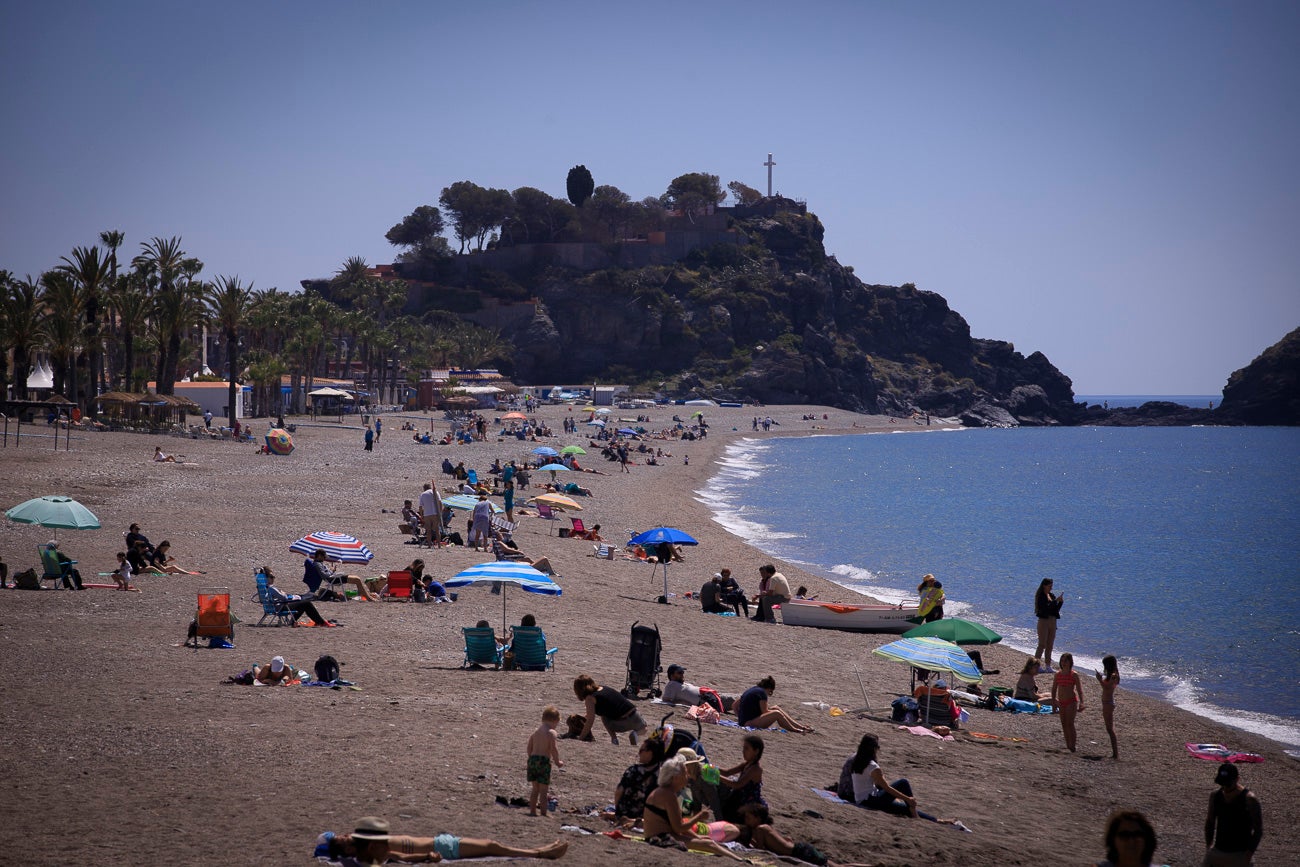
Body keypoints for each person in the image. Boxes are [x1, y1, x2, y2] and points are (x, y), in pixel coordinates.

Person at [319, 816, 569, 864]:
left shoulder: (369, 841)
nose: (346, 835)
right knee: (493, 846)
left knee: (492, 845)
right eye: (343, 839)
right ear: (347, 849)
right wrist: (427, 857)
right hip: (444, 848)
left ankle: (539, 850)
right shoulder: (372, 851)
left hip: (441, 842)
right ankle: (540, 853)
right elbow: (401, 856)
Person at [641, 755, 747, 862]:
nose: (687, 776)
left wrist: (697, 836)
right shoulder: (669, 795)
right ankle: (739, 860)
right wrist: (699, 817)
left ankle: (737, 859)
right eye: (684, 774)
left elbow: (678, 823)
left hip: (660, 834)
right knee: (709, 844)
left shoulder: (665, 791)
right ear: (675, 778)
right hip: (660, 837)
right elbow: (679, 827)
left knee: (707, 841)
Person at [841, 733, 961, 826]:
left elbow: (877, 785)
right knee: (903, 783)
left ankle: (938, 820)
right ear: (874, 749)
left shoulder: (857, 760)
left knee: (903, 809)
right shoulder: (872, 766)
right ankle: (914, 812)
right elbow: (886, 788)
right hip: (871, 801)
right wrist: (907, 799)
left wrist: (901, 799)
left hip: (862, 799)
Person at [737, 803, 872, 867]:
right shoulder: (766, 827)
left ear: (758, 818)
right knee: (836, 866)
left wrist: (747, 842)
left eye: (748, 818)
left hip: (799, 852)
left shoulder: (760, 829)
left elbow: (760, 849)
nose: (746, 820)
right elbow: (784, 840)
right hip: (800, 849)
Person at [1203, 762, 1263, 866]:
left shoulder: (1249, 799)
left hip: (1240, 853)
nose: (1225, 787)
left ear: (1237, 779)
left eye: (1228, 784)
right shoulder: (1215, 796)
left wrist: (1249, 854)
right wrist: (1209, 846)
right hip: (1218, 850)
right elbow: (1210, 823)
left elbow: (1258, 830)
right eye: (1222, 783)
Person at [573, 674, 647, 745]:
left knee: (604, 715)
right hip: (636, 716)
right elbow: (589, 714)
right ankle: (636, 733)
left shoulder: (590, 698)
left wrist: (581, 738)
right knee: (644, 729)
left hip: (623, 722)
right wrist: (584, 718)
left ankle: (614, 739)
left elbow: (590, 720)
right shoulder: (603, 688)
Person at [734, 676, 813, 733]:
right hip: (749, 722)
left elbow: (734, 705)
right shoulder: (762, 693)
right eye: (770, 692)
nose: (769, 694)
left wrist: (740, 718)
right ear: (769, 688)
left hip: (745, 721)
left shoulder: (752, 690)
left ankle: (800, 726)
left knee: (776, 708)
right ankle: (795, 729)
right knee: (777, 713)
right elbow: (765, 711)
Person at [717, 734, 766, 821]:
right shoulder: (746, 764)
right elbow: (727, 772)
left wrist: (716, 776)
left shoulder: (755, 769)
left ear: (756, 751)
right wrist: (711, 767)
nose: (743, 751)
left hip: (748, 802)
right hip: (740, 796)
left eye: (746, 749)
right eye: (743, 748)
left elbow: (737, 785)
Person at [526, 706, 564, 817]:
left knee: (535, 789)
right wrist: (557, 761)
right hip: (543, 761)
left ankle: (532, 811)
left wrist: (532, 758)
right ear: (555, 721)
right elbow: (553, 749)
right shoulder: (551, 732)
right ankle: (543, 812)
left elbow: (529, 748)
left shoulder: (535, 732)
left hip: (533, 760)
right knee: (543, 790)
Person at [265, 568, 335, 627]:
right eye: (271, 577)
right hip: (280, 607)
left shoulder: (264, 588)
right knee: (306, 603)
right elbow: (284, 598)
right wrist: (284, 594)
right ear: (266, 578)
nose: (273, 578)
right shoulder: (271, 588)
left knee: (301, 604)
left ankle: (293, 622)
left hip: (275, 606)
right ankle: (321, 622)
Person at [303, 548, 378, 601]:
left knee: (357, 578)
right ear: (319, 556)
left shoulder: (319, 563)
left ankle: (367, 595)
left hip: (333, 578)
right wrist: (331, 572)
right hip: (333, 579)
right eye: (324, 557)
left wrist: (332, 571)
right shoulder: (317, 564)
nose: (324, 559)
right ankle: (368, 598)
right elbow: (325, 575)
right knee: (357, 579)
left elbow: (325, 574)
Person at [662, 664, 735, 713]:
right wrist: (681, 701)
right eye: (679, 673)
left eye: (682, 672)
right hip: (706, 700)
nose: (682, 674)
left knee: (732, 700)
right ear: (672, 675)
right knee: (731, 700)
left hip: (709, 696)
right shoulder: (671, 684)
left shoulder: (680, 684)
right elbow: (666, 700)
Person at [1051, 652, 1086, 752]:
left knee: (1070, 723)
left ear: (1070, 662)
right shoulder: (1058, 674)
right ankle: (1068, 746)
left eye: (1066, 661)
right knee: (1063, 724)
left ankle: (1072, 746)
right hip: (1061, 702)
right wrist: (1054, 702)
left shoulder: (1074, 675)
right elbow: (1054, 689)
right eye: (1062, 661)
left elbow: (1079, 690)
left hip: (1071, 701)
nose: (1063, 663)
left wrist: (1082, 702)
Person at [1095, 654, 1121, 759]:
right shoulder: (1113, 675)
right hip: (1107, 702)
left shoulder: (1114, 675)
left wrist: (1099, 679)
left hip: (1108, 703)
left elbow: (1107, 688)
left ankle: (1115, 753)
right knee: (1109, 729)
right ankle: (1115, 753)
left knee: (1110, 729)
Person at [1035, 578, 1064, 671]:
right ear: (1044, 586)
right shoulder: (1041, 596)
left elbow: (1055, 610)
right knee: (1042, 644)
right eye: (1049, 586)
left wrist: (1060, 602)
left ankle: (1048, 665)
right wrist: (1055, 601)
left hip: (1053, 621)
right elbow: (1045, 608)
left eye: (1051, 586)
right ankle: (1036, 665)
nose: (1051, 588)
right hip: (1043, 621)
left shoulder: (1051, 595)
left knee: (1050, 645)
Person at [418, 482, 443, 548]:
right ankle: (439, 545)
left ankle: (429, 545)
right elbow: (440, 502)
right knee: (437, 530)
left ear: (424, 488)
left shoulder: (423, 494)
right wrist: (440, 513)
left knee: (428, 531)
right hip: (435, 513)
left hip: (427, 514)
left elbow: (420, 506)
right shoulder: (435, 492)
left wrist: (421, 515)